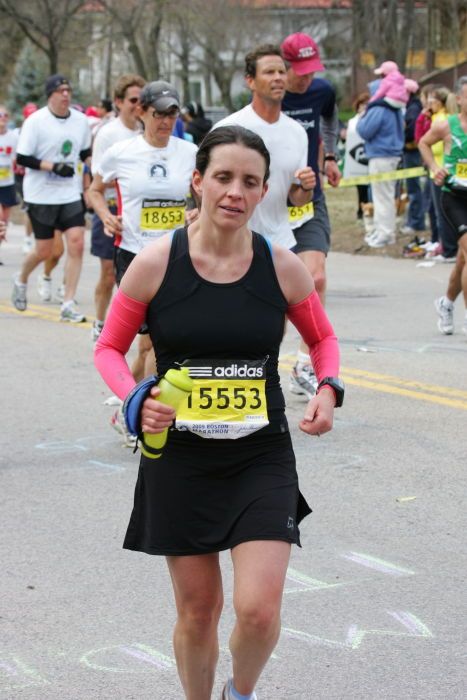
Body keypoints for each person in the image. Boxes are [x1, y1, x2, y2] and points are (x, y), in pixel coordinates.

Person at [94, 124, 344, 700]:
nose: (235, 191)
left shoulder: (282, 267)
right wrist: (136, 401)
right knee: (199, 609)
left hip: (260, 454)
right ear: (198, 181)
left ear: (263, 193)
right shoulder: (155, 264)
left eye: (250, 182)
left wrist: (328, 387)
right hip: (180, 457)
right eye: (224, 177)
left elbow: (323, 341)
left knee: (258, 610)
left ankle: (242, 693)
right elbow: (108, 348)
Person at [89, 80, 198, 445]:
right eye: (158, 114)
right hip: (134, 256)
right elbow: (93, 189)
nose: (166, 121)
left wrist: (197, 215)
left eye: (172, 114)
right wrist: (106, 215)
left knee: (153, 344)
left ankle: (135, 409)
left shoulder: (190, 152)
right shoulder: (121, 152)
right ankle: (138, 408)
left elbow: (201, 196)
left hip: (176, 254)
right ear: (141, 113)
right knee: (148, 343)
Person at [280, 32, 342, 399]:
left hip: (310, 198)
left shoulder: (323, 91)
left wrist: (330, 157)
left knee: (315, 277)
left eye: (310, 70)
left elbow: (329, 121)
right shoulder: (272, 96)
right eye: (298, 71)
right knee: (272, 293)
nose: (305, 78)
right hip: (272, 204)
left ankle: (304, 362)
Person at [12, 74, 91, 321]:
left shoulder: (80, 122)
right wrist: (53, 166)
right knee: (44, 251)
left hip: (69, 192)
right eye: (60, 91)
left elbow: (86, 153)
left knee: (77, 243)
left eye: (68, 90)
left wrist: (95, 174)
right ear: (50, 95)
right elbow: (23, 157)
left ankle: (68, 303)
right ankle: (21, 278)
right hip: (41, 193)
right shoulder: (36, 121)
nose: (66, 94)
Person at [89, 73, 145, 342]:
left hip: (141, 215)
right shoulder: (108, 134)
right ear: (118, 103)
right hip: (113, 210)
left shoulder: (149, 129)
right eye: (133, 100)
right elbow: (97, 180)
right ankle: (100, 322)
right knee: (109, 272)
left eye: (141, 100)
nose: (138, 105)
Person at [419, 76, 467, 336]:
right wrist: (436, 168)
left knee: (463, 258)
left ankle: (446, 303)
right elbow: (423, 143)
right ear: (458, 99)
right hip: (454, 196)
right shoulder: (446, 125)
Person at [357, 74, 405, 248]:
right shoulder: (396, 107)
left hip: (380, 156)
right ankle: (382, 231)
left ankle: (385, 234)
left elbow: (365, 130)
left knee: (381, 197)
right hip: (392, 155)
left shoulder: (378, 108)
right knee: (386, 196)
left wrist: (363, 116)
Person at [418, 85, 458, 262]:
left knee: (442, 212)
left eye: (431, 101)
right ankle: (447, 246)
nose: (428, 104)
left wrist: (433, 166)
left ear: (440, 103)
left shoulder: (441, 121)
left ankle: (448, 249)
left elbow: (424, 141)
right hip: (446, 170)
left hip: (440, 172)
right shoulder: (445, 119)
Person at [342, 91, 371, 221]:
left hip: (369, 159)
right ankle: (361, 208)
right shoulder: (352, 122)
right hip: (356, 161)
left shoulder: (371, 120)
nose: (364, 107)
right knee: (361, 188)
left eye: (367, 105)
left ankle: (369, 209)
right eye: (362, 104)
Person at [0, 104, 19, 263]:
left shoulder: (13, 137)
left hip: (8, 182)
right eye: (0, 115)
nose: (2, 119)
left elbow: (17, 157)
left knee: (4, 220)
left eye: (5, 115)